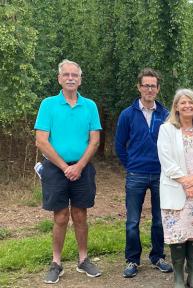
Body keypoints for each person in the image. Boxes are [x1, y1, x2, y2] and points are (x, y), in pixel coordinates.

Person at [35, 59, 102, 284]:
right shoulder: (48, 104)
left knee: (81, 215)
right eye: (67, 75)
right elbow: (41, 141)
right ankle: (56, 263)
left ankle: (83, 260)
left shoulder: (90, 106)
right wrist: (65, 167)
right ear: (59, 78)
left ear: (80, 79)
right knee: (61, 216)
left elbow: (94, 141)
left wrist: (79, 166)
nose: (71, 78)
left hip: (82, 168)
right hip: (56, 169)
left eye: (75, 75)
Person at [115, 68, 173, 278]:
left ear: (158, 89)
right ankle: (132, 259)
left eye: (153, 86)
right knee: (132, 221)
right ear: (139, 87)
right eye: (145, 85)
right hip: (136, 175)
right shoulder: (128, 114)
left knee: (159, 219)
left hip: (161, 175)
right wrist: (130, 165)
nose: (149, 89)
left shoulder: (166, 115)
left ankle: (158, 256)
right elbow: (120, 145)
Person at [157, 89, 193, 288]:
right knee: (178, 234)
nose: (187, 106)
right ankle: (178, 277)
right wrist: (185, 181)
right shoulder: (167, 129)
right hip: (175, 189)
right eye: (183, 103)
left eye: (191, 103)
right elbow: (166, 160)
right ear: (176, 107)